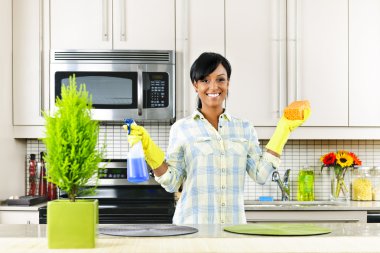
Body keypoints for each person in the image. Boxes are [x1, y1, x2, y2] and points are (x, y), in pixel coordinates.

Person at [123, 52, 310, 224]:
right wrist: (148, 148)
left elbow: (261, 175)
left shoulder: (244, 128)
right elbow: (172, 183)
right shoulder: (181, 128)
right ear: (195, 85)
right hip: (192, 229)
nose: (213, 87)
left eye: (220, 79)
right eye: (205, 80)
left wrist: (283, 129)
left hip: (233, 230)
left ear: (228, 83)